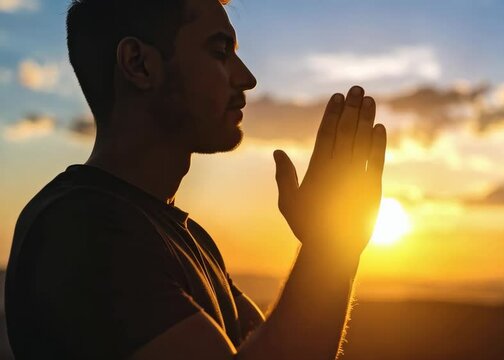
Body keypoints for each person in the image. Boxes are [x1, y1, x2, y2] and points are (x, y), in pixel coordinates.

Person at [4, 0, 387, 359]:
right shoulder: (78, 230)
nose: (247, 78)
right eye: (220, 52)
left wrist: (339, 243)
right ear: (139, 64)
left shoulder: (185, 236)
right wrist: (329, 246)